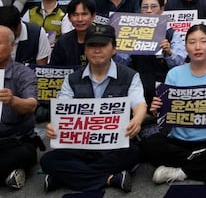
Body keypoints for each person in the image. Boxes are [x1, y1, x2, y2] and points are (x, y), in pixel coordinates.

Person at [41, 24, 147, 193]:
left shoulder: (130, 75)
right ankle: (110, 178)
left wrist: (137, 119)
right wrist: (53, 126)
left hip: (115, 145)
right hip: (80, 147)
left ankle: (63, 177)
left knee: (133, 153)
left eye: (103, 45)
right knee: (47, 160)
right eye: (92, 45)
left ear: (114, 49)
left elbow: (139, 103)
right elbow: (61, 109)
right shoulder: (72, 78)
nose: (97, 50)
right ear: (85, 50)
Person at [140, 24, 206, 184]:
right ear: (186, 47)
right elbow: (165, 116)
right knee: (150, 143)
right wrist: (157, 110)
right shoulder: (174, 74)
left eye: (203, 41)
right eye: (192, 42)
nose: (198, 46)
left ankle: (182, 171)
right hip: (180, 141)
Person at [0, 25, 41, 189]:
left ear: (11, 46)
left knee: (21, 154)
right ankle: (10, 174)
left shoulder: (23, 73)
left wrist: (13, 100)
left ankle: (13, 169)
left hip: (15, 141)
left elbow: (31, 105)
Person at [50, 0, 95, 67]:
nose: (80, 19)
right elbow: (54, 68)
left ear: (93, 16)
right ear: (69, 18)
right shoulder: (63, 42)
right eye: (75, 15)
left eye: (84, 14)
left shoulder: (103, 39)